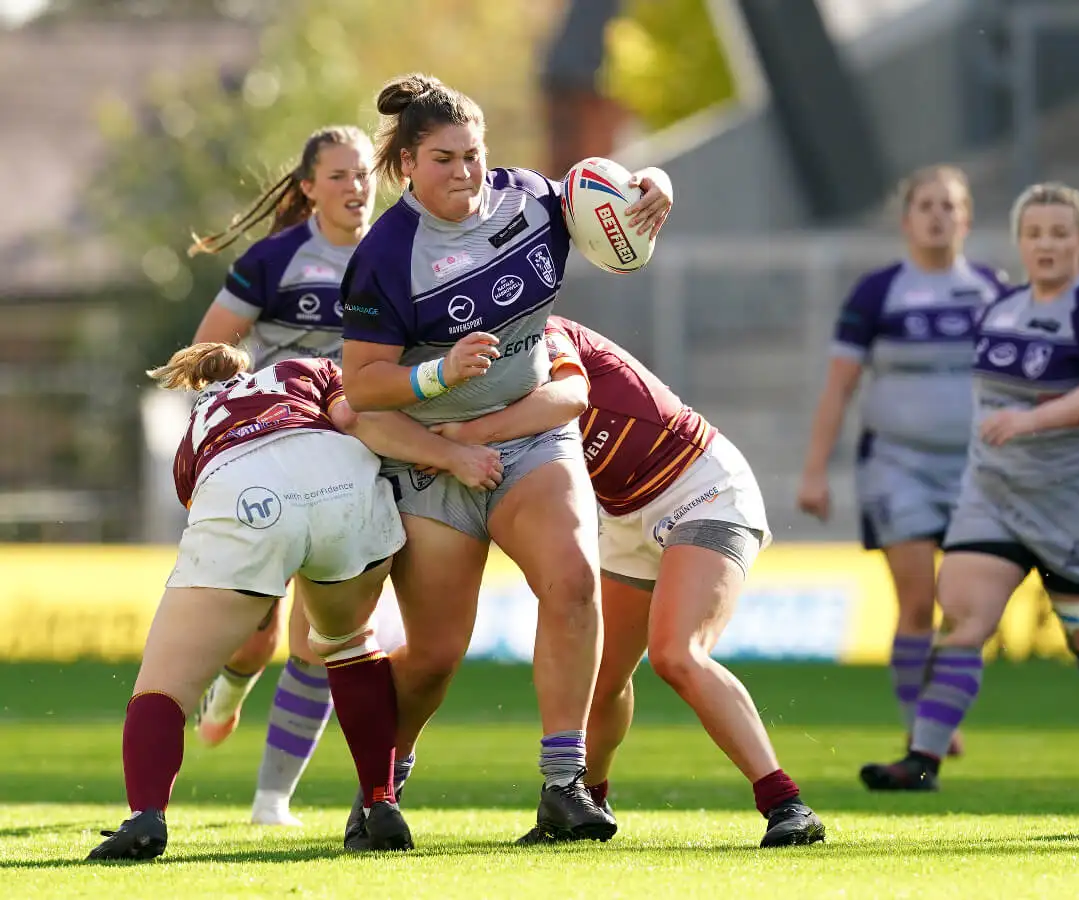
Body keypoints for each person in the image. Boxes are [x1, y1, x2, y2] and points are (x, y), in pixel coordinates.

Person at [338, 72, 672, 845]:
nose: (466, 172)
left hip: (528, 438)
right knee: (433, 657)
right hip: (433, 457)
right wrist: (438, 373)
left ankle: (564, 785)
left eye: (474, 154)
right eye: (446, 158)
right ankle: (380, 784)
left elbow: (611, 188)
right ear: (408, 167)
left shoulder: (529, 199)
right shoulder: (389, 252)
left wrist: (654, 187)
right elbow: (361, 386)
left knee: (573, 583)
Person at [87, 344, 502, 860]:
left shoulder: (195, 430)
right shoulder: (303, 368)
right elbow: (355, 417)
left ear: (200, 384)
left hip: (244, 491)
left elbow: (213, 518)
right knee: (349, 644)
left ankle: (146, 818)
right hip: (340, 479)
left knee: (165, 682)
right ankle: (380, 803)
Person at [428, 316, 826, 848]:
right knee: (596, 675)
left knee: (677, 655)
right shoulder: (470, 356)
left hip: (700, 487)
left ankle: (787, 803)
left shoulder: (540, 330)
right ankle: (587, 804)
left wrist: (464, 438)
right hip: (623, 515)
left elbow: (565, 398)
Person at [860, 182, 1079, 792]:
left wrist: (1029, 420)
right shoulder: (1001, 307)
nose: (1046, 244)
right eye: (1035, 233)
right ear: (1020, 242)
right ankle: (923, 761)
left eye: (1059, 233)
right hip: (995, 495)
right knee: (962, 618)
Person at [188, 125, 390, 827]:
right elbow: (206, 350)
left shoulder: (398, 251)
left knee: (324, 636)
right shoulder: (276, 258)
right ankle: (231, 688)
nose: (356, 187)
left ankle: (272, 798)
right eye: (338, 176)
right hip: (278, 452)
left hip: (359, 458)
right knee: (255, 632)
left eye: (364, 173)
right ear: (308, 187)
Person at [796, 165, 1005, 752]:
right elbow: (839, 387)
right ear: (907, 219)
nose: (938, 215)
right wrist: (815, 471)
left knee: (965, 610)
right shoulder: (877, 293)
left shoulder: (992, 291)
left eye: (950, 205)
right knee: (917, 602)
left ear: (965, 217)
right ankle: (922, 725)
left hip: (975, 471)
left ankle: (938, 715)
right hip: (897, 466)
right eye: (927, 205)